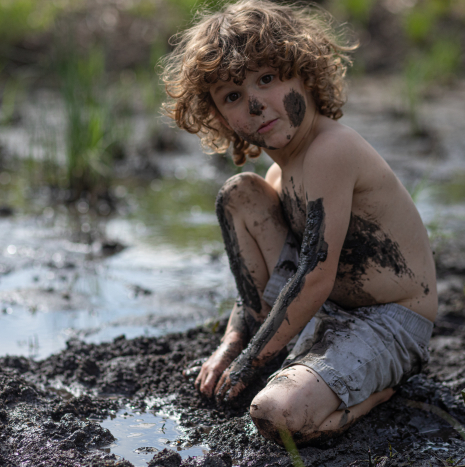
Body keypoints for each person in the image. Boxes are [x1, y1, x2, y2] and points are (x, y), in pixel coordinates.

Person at [160, 0, 437, 447]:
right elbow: (273, 274)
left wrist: (250, 364)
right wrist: (234, 341)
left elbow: (313, 277)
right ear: (218, 117)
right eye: (233, 96)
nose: (255, 104)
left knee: (274, 413)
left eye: (267, 79)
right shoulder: (278, 172)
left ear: (303, 71)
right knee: (240, 194)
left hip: (386, 322)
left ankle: (377, 394)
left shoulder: (330, 152)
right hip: (327, 310)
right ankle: (280, 346)